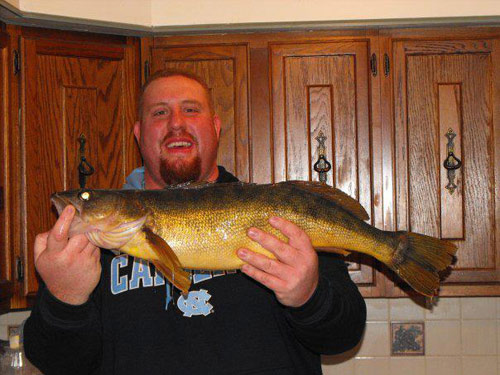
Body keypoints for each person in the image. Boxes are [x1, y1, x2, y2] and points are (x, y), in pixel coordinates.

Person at [23, 70, 366, 374]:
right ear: (139, 134)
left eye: (190, 109)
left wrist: (309, 296)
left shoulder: (276, 215)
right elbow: (58, 363)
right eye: (160, 113)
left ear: (215, 127)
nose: (176, 123)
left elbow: (344, 334)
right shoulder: (88, 251)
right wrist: (64, 297)